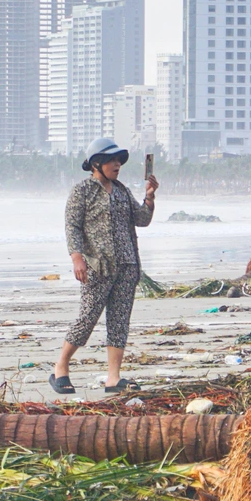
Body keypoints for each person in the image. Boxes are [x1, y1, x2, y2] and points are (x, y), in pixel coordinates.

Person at [53, 137, 157, 396]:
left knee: (119, 321)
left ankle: (113, 378)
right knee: (87, 318)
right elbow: (72, 226)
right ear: (96, 164)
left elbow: (142, 220)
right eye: (111, 160)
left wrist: (150, 198)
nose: (117, 165)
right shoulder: (82, 191)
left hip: (127, 265)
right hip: (97, 267)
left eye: (118, 160)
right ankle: (60, 368)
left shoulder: (121, 191)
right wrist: (77, 259)